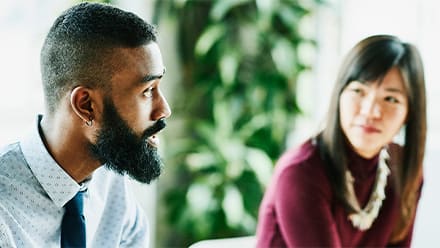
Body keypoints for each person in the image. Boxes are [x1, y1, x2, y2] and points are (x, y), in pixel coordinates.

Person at [0, 2, 171, 247]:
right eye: (147, 91)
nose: (164, 109)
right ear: (86, 105)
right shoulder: (4, 213)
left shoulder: (112, 181)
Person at [256, 35, 426, 247]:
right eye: (358, 91)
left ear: (409, 112)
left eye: (390, 99)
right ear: (339, 95)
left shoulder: (403, 168)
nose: (370, 111)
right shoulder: (301, 172)